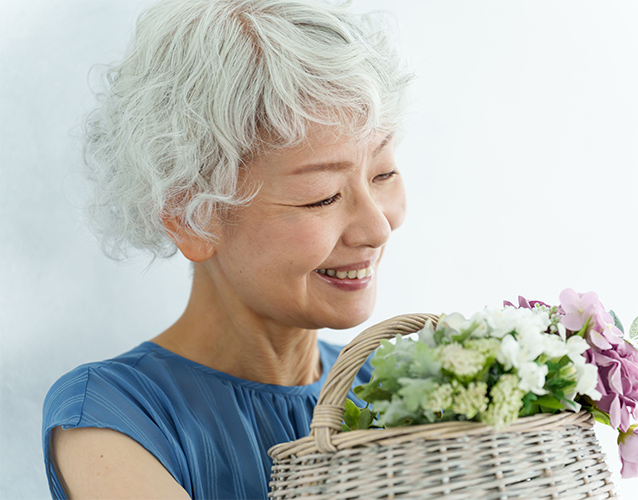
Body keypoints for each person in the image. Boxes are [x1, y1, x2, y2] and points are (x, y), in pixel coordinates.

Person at [42, 0, 411, 497]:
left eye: (383, 174)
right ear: (191, 216)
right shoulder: (112, 415)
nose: (377, 228)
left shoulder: (395, 384)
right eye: (322, 196)